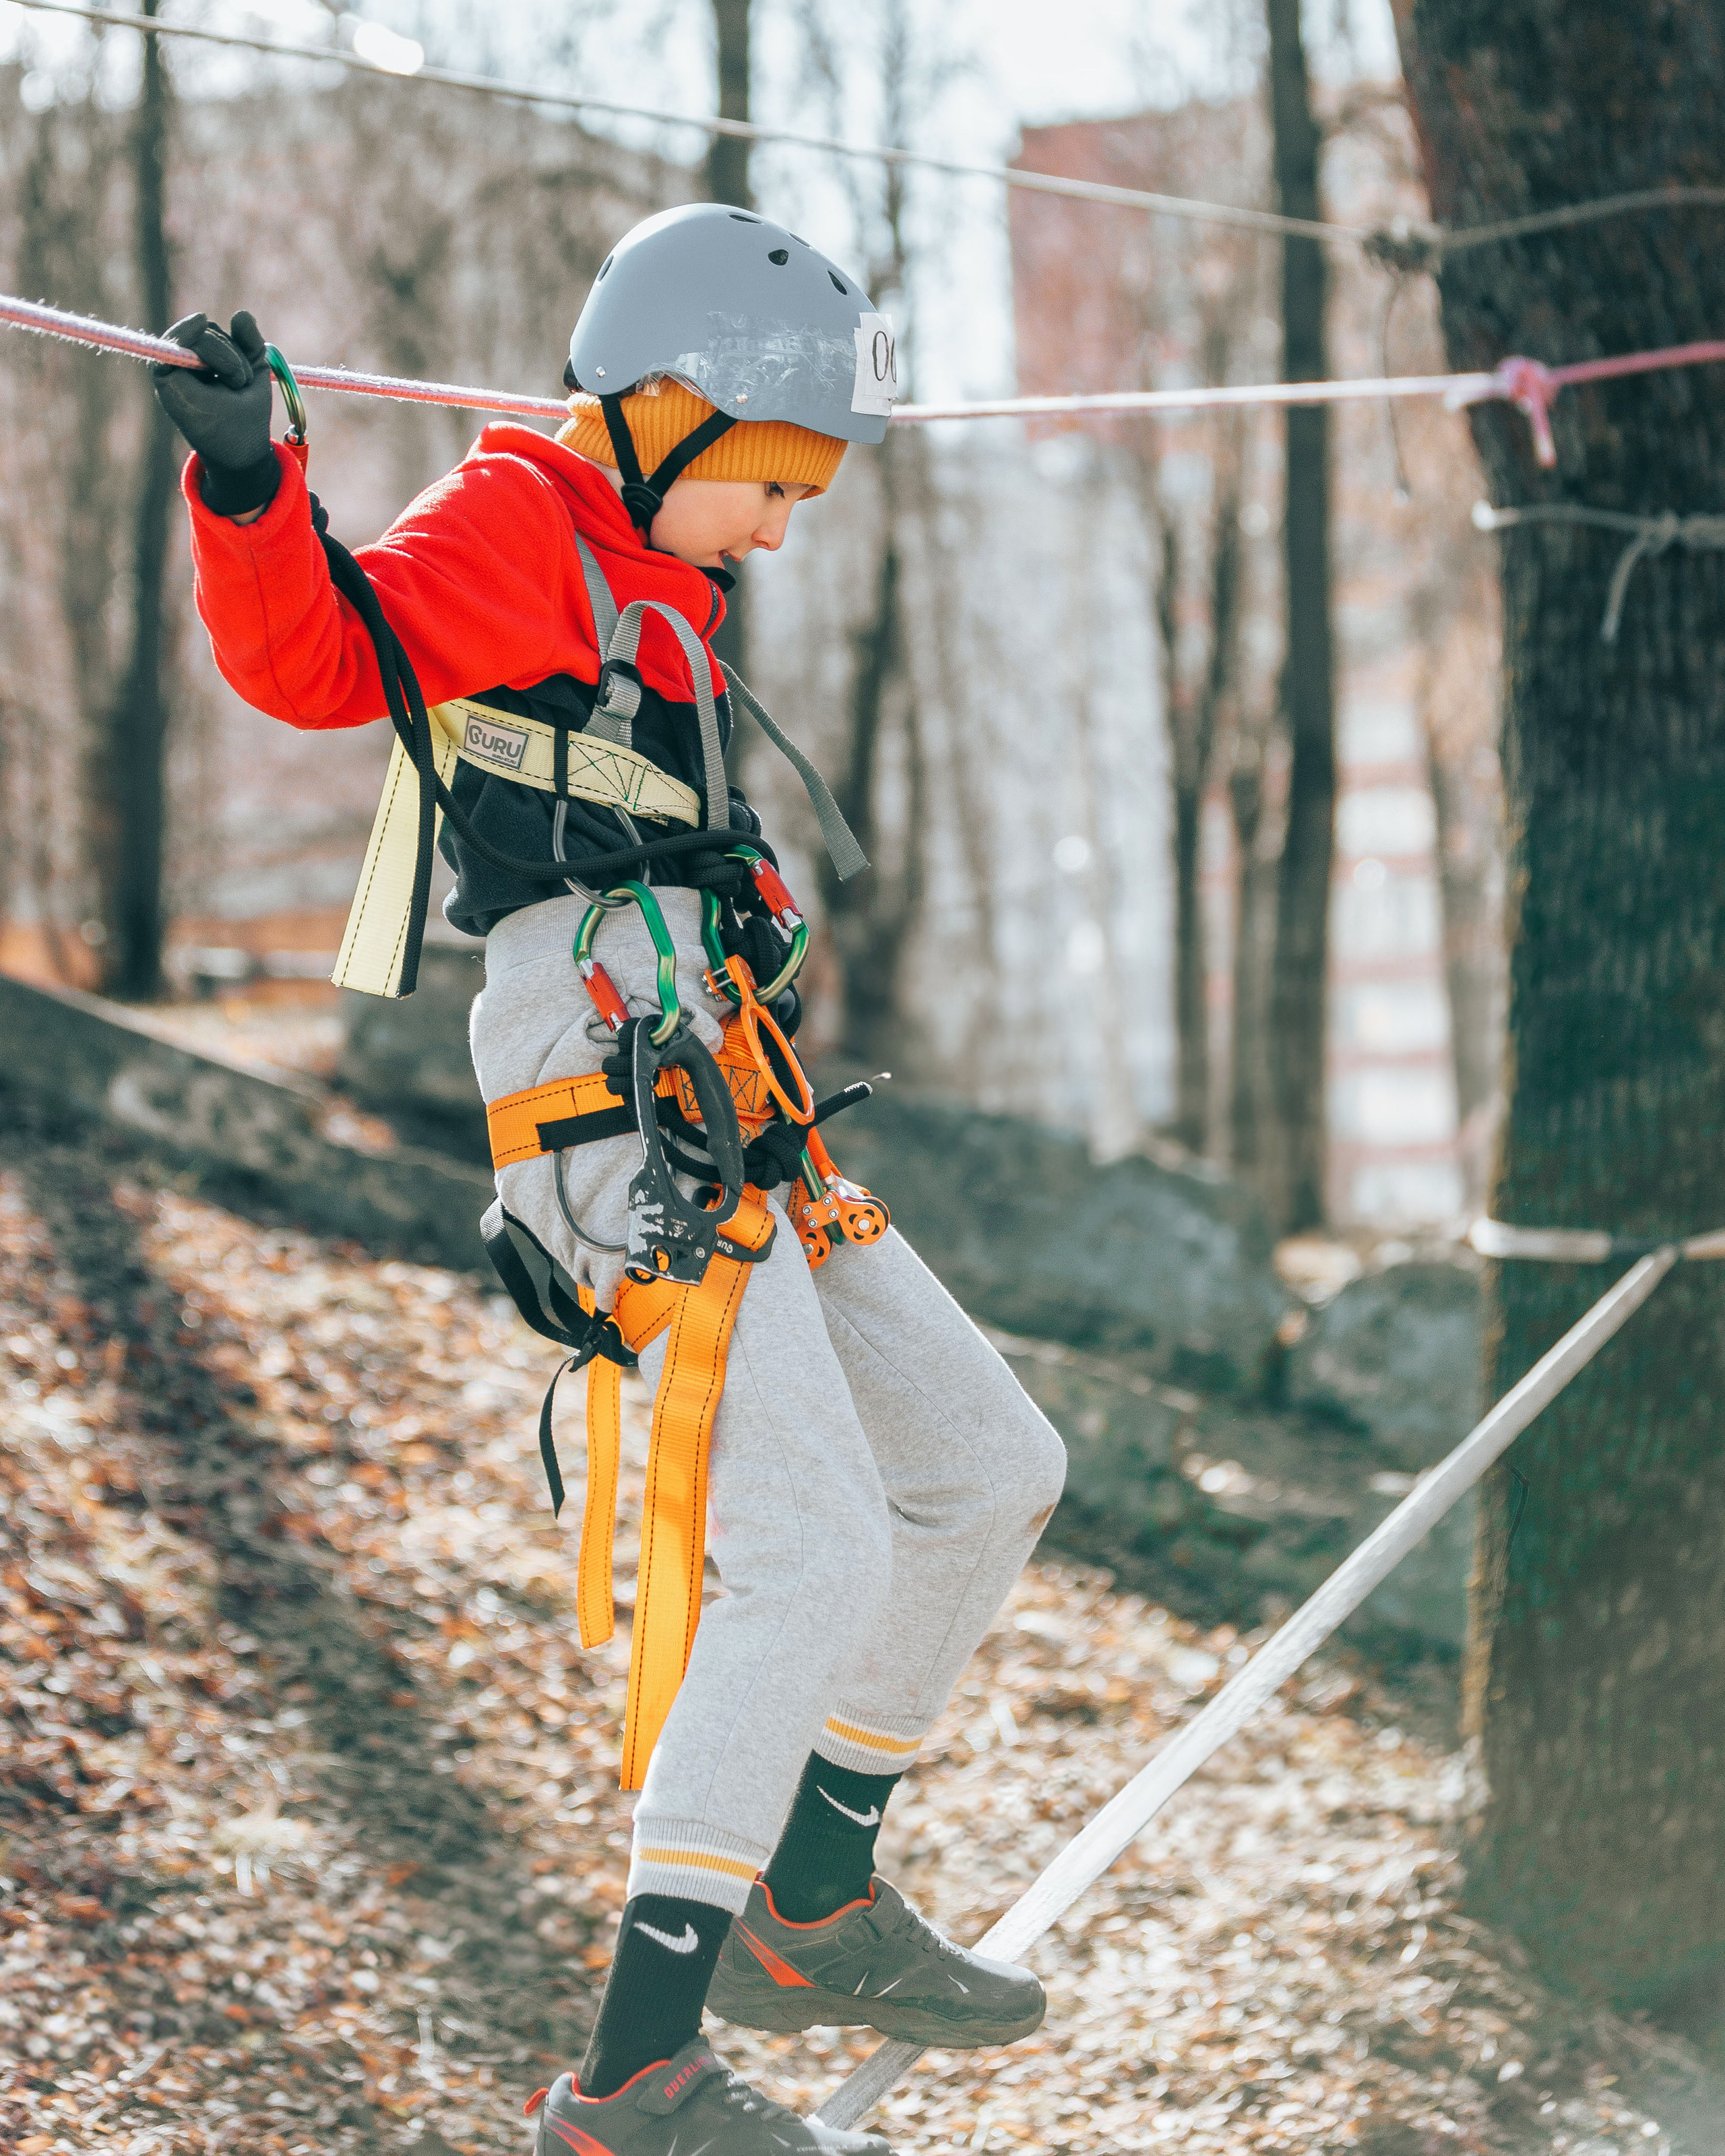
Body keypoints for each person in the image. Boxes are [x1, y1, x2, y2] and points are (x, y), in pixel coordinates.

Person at [154, 203, 1067, 2156]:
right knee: (808, 1554)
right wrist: (249, 473)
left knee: (991, 1469)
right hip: (596, 1091)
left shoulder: (649, 563)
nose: (785, 525)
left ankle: (807, 1901)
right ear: (659, 409)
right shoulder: (518, 531)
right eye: (769, 480)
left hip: (720, 1077)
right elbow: (317, 657)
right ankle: (630, 2073)